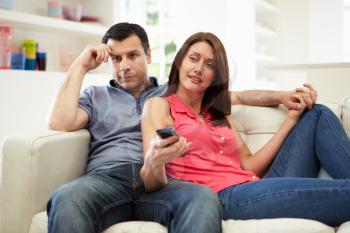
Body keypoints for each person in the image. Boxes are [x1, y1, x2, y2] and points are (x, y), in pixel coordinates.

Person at [47, 22, 317, 233]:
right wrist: (81, 66)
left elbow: (238, 96)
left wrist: (279, 96)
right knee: (67, 198)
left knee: (202, 198)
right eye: (116, 59)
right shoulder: (96, 95)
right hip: (107, 178)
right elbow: (60, 122)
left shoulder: (173, 93)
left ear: (148, 55)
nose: (124, 66)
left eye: (132, 55)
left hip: (164, 182)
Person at [141, 31, 350, 228]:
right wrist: (156, 158)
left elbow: (250, 166)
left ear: (215, 75)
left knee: (317, 113)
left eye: (209, 64)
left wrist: (291, 120)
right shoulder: (159, 105)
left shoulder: (216, 113)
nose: (198, 69)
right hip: (221, 196)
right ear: (179, 62)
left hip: (253, 187)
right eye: (193, 59)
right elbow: (152, 178)